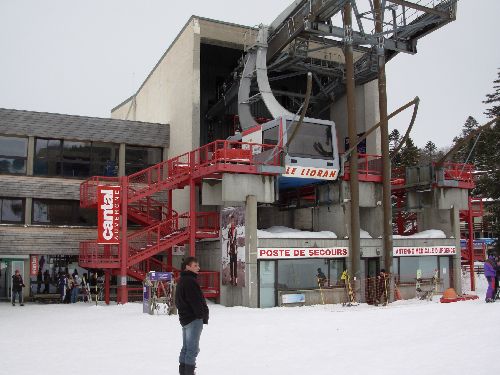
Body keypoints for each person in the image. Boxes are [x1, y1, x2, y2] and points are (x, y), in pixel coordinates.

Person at [175, 257, 209, 375]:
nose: (198, 268)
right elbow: (195, 301)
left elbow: (178, 301)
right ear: (187, 267)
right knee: (192, 350)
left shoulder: (182, 280)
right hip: (193, 319)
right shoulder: (190, 281)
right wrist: (200, 315)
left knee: (186, 348)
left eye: (198, 265)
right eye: (195, 265)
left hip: (186, 319)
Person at [227, 215, 238, 286]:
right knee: (231, 264)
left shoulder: (236, 229)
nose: (232, 222)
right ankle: (231, 278)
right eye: (231, 221)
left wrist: (236, 248)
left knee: (235, 265)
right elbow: (228, 239)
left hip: (235, 248)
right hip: (231, 248)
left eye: (233, 221)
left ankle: (236, 278)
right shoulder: (229, 230)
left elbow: (236, 239)